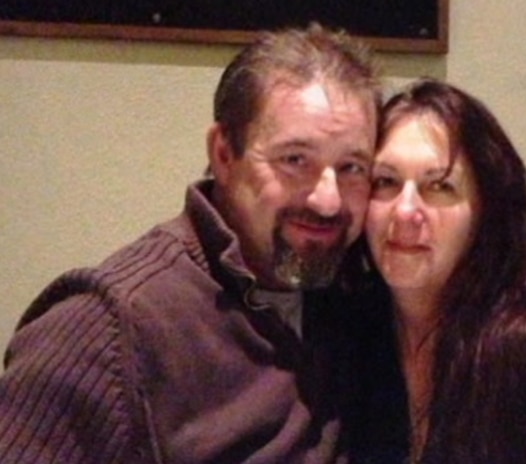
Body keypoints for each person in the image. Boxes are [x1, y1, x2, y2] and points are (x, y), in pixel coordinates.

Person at [0, 24, 381, 463]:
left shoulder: (359, 297)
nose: (328, 201)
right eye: (295, 160)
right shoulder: (112, 326)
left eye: (352, 167)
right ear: (223, 154)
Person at [340, 79, 526, 463]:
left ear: (486, 211)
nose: (404, 209)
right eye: (386, 182)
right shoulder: (347, 328)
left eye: (440, 186)